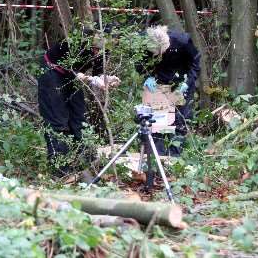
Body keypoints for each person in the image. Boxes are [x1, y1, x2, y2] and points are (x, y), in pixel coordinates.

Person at [37, 28, 120, 175]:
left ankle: (87, 165)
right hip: (52, 71)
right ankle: (60, 169)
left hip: (73, 76)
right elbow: (69, 67)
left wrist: (106, 79)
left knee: (80, 117)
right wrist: (89, 79)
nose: (97, 52)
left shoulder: (106, 47)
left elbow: (98, 71)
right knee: (58, 120)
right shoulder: (76, 41)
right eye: (95, 49)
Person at [137, 25, 200, 156]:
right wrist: (147, 76)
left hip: (180, 84)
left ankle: (174, 158)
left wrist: (187, 83)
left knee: (180, 122)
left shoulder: (182, 40)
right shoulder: (143, 41)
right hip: (157, 84)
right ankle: (157, 158)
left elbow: (195, 62)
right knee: (155, 123)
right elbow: (139, 63)